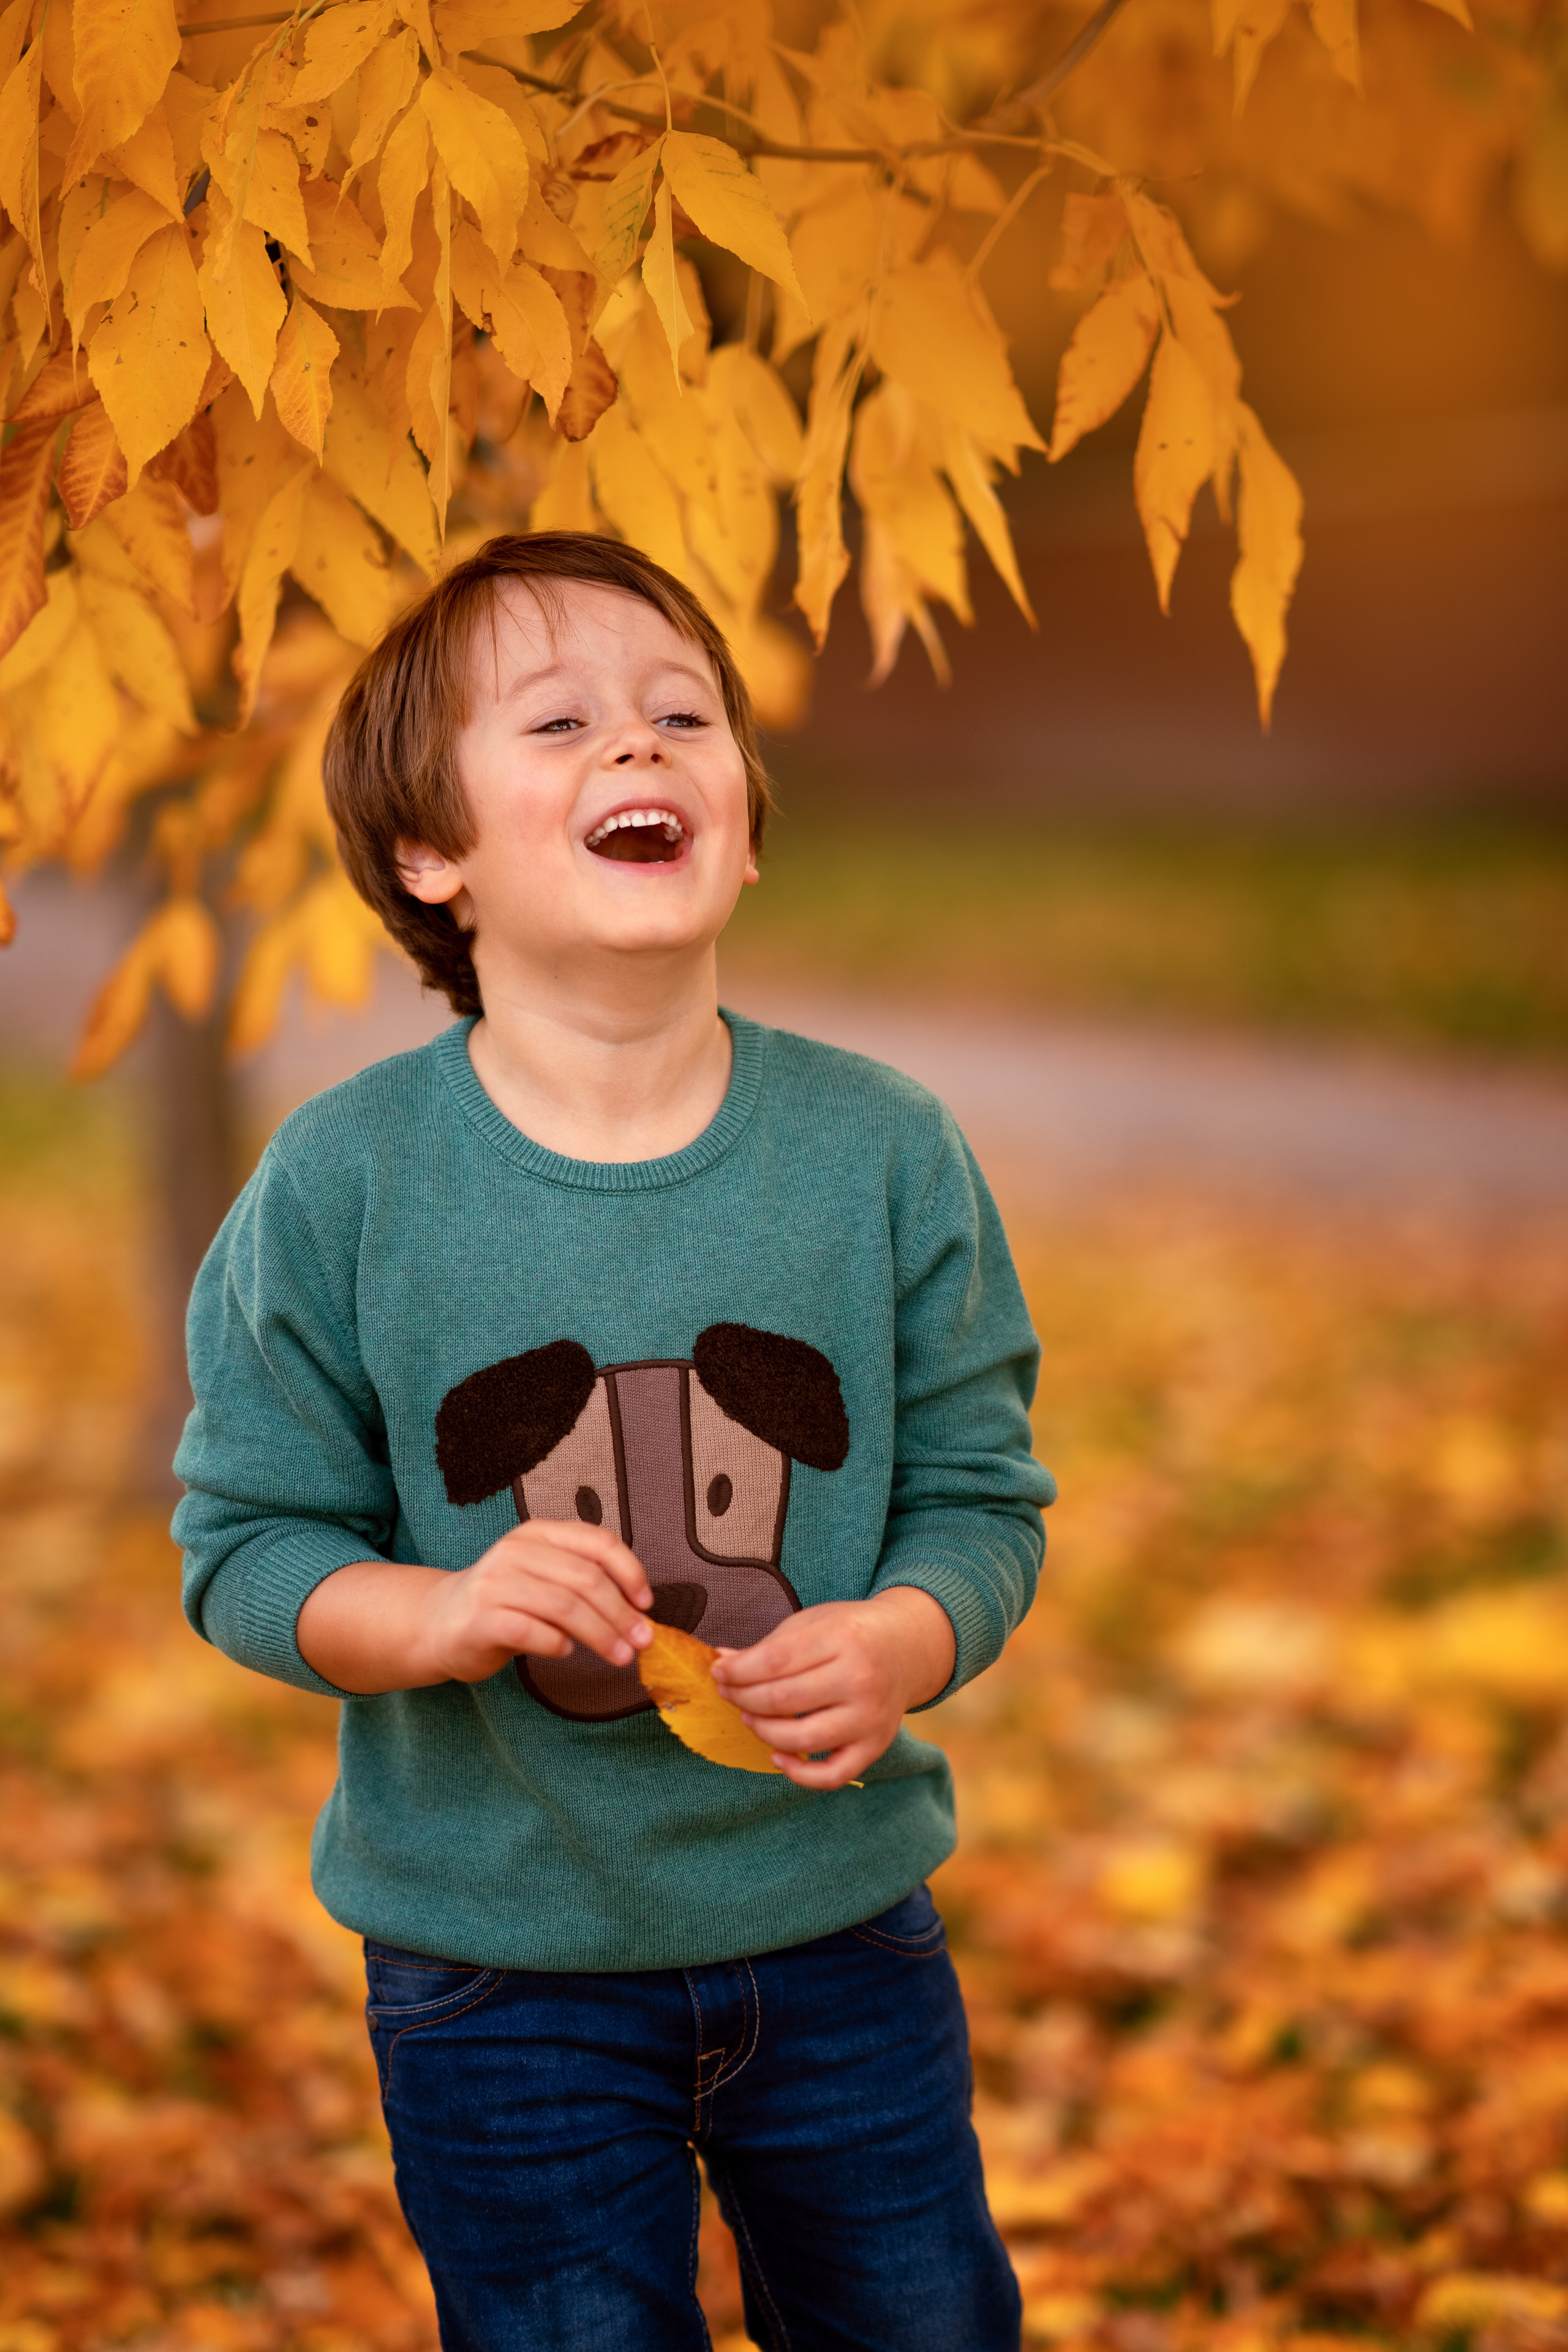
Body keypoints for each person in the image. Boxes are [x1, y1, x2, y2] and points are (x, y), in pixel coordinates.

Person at [173, 532, 1055, 2352]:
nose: (641, 745)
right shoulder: (345, 1186)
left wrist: (903, 1641)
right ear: (430, 855)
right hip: (501, 1974)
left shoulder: (881, 1152)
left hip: (839, 1932)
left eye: (684, 716)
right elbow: (250, 1547)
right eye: (561, 722)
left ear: (744, 824)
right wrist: (436, 1614)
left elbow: (980, 1497)